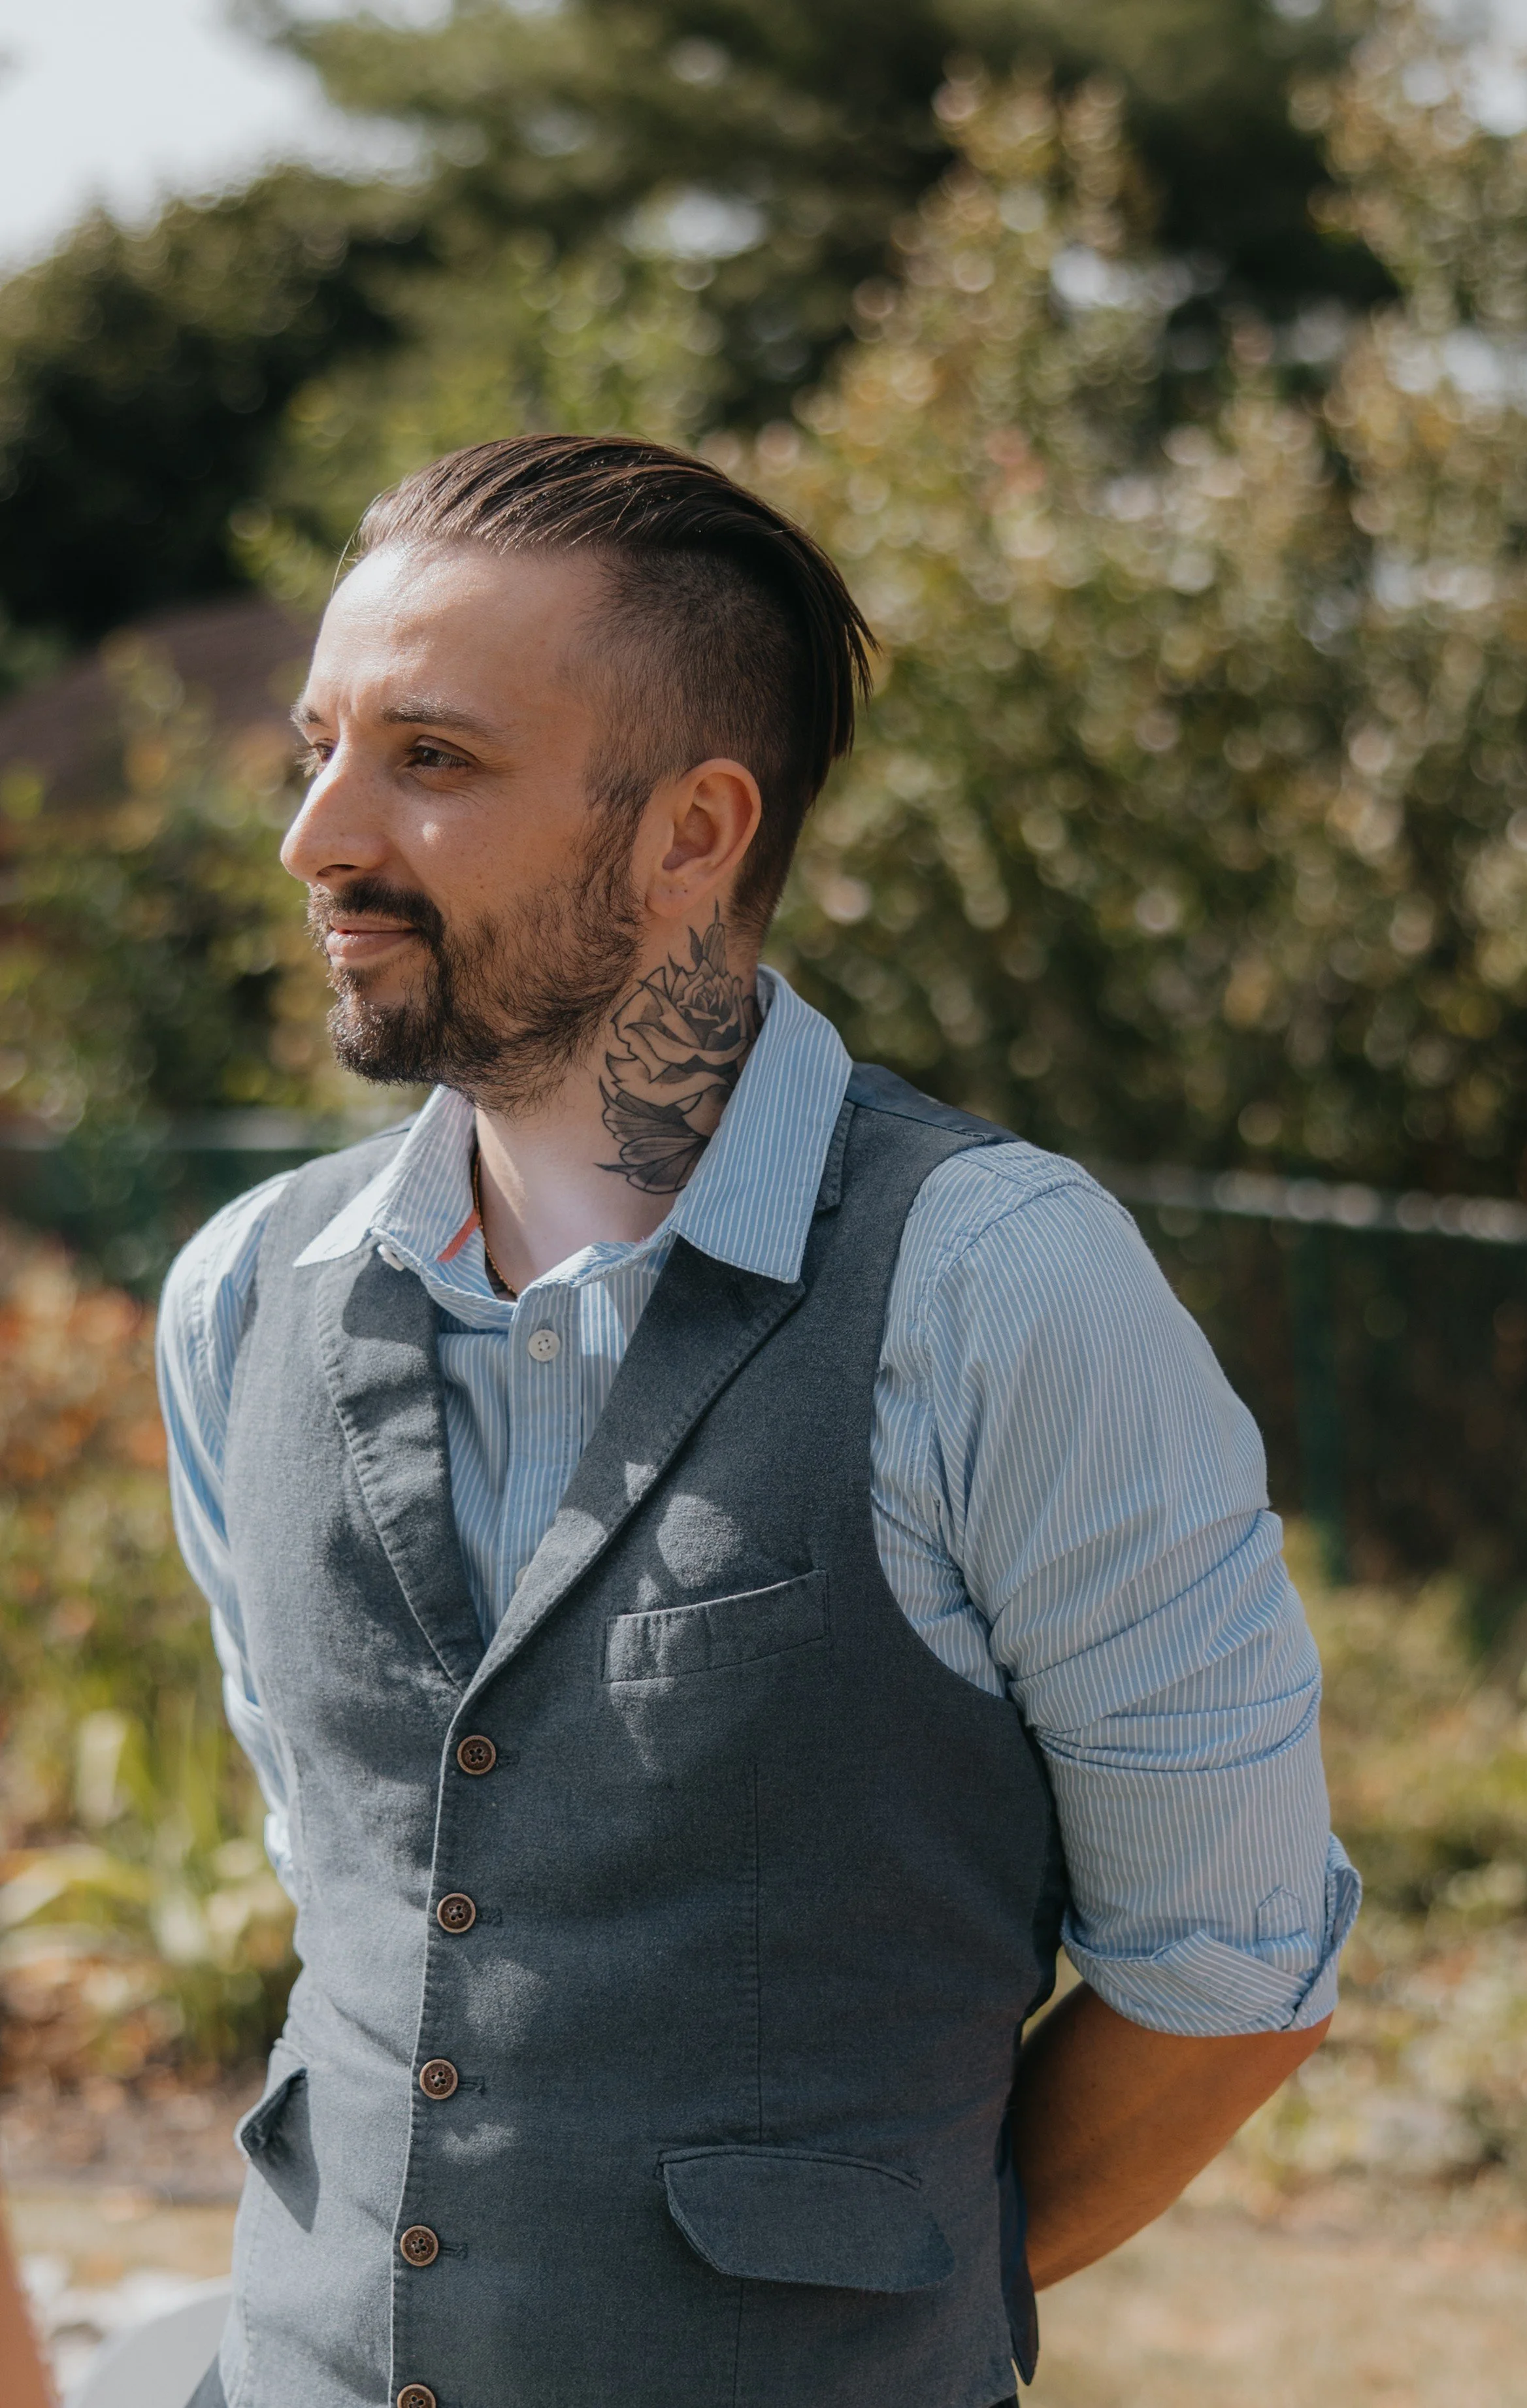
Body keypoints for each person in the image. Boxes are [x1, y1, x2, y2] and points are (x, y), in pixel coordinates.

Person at [157, 435, 1358, 2408]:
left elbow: (1230, 1981)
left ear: (694, 832)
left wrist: (877, 2311)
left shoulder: (998, 1290)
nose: (317, 835)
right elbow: (355, 1868)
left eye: (429, 759)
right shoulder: (236, 1297)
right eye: (319, 747)